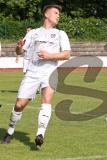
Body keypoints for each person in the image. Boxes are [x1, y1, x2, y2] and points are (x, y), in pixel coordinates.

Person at [2, 4, 71, 146]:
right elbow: (20, 52)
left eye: (59, 13)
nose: (58, 15)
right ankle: (10, 130)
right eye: (56, 12)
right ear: (46, 14)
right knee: (19, 105)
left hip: (50, 72)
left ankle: (40, 134)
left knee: (46, 101)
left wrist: (50, 56)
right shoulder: (33, 33)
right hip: (33, 72)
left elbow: (67, 54)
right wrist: (19, 47)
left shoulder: (60, 34)